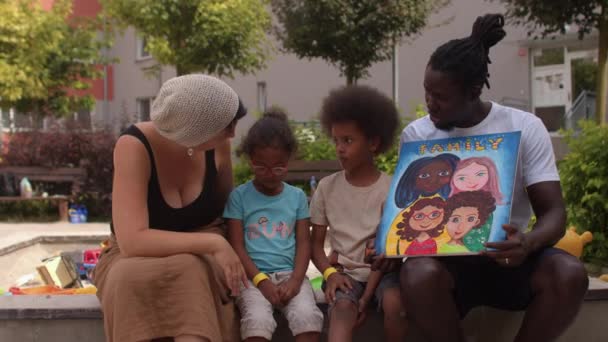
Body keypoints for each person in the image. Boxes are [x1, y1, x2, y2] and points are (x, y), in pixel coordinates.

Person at [373, 13, 588, 342]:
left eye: (440, 97)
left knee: (570, 273)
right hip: (445, 268)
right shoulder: (418, 133)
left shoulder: (524, 127)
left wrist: (526, 243)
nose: (430, 104)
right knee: (417, 272)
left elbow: (555, 214)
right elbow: (408, 211)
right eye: (427, 92)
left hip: (507, 258)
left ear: (474, 90)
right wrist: (387, 245)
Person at [93, 74, 248, 342]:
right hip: (136, 255)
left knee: (189, 270)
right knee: (127, 278)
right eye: (226, 126)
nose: (233, 134)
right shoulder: (134, 146)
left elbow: (228, 210)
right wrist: (212, 244)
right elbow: (132, 242)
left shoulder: (218, 145)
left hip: (202, 254)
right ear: (195, 130)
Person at [310, 85, 406, 342]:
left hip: (383, 274)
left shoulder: (391, 189)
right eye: (336, 140)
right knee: (341, 310)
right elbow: (316, 247)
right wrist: (330, 275)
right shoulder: (326, 188)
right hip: (345, 275)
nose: (339, 148)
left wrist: (365, 298)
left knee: (395, 304)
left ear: (373, 142)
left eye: (348, 140)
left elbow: (385, 252)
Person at [224, 109, 323, 342]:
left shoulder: (297, 197)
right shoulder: (239, 197)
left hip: (291, 275)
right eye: (260, 167)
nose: (269, 175)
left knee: (307, 316)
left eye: (278, 168)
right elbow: (236, 246)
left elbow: (303, 243)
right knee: (257, 321)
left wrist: (297, 281)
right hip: (252, 279)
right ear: (250, 160)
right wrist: (262, 282)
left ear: (288, 161)